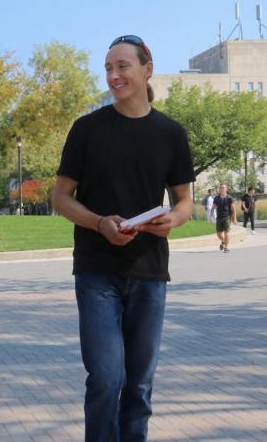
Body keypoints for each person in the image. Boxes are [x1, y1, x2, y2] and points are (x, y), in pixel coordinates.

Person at [52, 35, 194, 442]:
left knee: (139, 385)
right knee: (106, 379)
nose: (114, 76)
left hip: (150, 272)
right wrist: (99, 223)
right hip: (97, 272)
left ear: (147, 69)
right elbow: (61, 197)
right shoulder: (87, 129)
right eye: (108, 68)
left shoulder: (171, 132)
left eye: (122, 66)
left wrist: (174, 220)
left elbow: (185, 201)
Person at [214, 184, 238, 253]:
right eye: (221, 188)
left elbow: (233, 209)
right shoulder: (217, 198)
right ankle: (223, 241)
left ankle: (227, 247)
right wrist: (211, 214)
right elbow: (214, 207)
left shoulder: (229, 198)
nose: (222, 189)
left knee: (226, 232)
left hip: (227, 217)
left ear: (226, 189)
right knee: (219, 234)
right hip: (218, 217)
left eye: (223, 188)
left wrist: (235, 218)